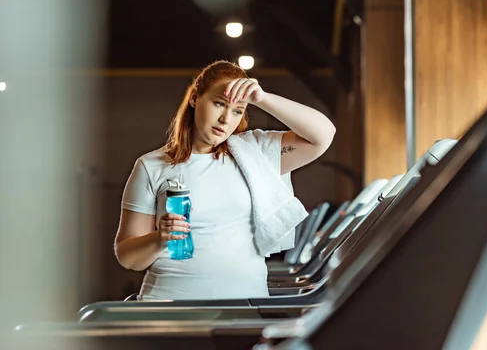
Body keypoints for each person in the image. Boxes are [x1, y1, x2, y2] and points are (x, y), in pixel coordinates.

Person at [114, 60, 336, 300]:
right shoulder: (151, 165)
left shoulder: (255, 153)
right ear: (195, 98)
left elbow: (323, 135)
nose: (226, 119)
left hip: (245, 307)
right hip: (169, 306)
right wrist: (158, 239)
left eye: (237, 110)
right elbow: (128, 257)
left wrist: (262, 98)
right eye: (219, 104)